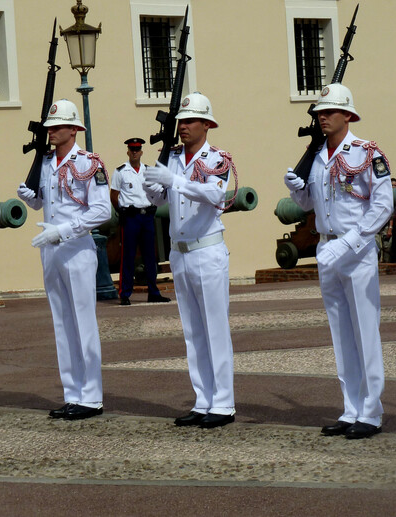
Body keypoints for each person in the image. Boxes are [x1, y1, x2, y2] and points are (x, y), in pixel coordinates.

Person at [284, 84, 393, 439]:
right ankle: (351, 408)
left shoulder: (367, 153)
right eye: (319, 112)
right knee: (341, 334)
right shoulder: (316, 156)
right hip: (326, 249)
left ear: (347, 114)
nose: (322, 117)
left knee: (365, 331)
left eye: (329, 112)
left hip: (356, 250)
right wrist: (297, 189)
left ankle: (372, 411)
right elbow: (308, 205)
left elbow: (382, 206)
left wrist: (349, 241)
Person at [144, 92, 238, 429]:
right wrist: (153, 181)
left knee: (215, 329)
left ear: (207, 124)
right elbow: (154, 198)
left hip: (208, 250)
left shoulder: (217, 159)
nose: (183, 127)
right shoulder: (171, 157)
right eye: (181, 121)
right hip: (180, 253)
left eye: (190, 121)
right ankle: (203, 399)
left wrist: (177, 181)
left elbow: (216, 194)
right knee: (193, 332)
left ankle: (223, 403)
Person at [16, 99, 111, 421]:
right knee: (62, 324)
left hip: (77, 249)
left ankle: (92, 396)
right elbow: (48, 204)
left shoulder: (89, 163)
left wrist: (65, 230)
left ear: (74, 129)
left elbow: (101, 211)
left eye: (57, 127)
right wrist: (32, 200)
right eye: (49, 127)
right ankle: (72, 393)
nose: (51, 132)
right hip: (51, 250)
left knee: (83, 324)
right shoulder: (45, 163)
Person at [110, 137, 168, 305]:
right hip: (131, 217)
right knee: (128, 256)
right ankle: (125, 293)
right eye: (132, 149)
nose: (134, 152)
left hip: (147, 216)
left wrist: (154, 206)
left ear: (141, 152)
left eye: (137, 149)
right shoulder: (121, 171)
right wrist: (122, 211)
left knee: (151, 256)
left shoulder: (148, 171)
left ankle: (153, 292)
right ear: (128, 152)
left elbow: (156, 192)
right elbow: (114, 195)